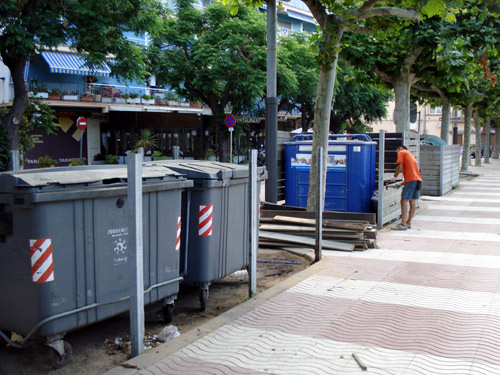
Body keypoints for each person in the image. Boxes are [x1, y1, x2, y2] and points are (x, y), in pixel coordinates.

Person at [390, 145, 423, 230]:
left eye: (397, 151)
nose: (397, 154)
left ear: (400, 148)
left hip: (411, 181)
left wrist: (395, 177)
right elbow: (412, 175)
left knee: (403, 200)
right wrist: (400, 184)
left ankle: (403, 224)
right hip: (417, 180)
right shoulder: (411, 156)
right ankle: (408, 223)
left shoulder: (402, 152)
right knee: (412, 201)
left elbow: (399, 166)